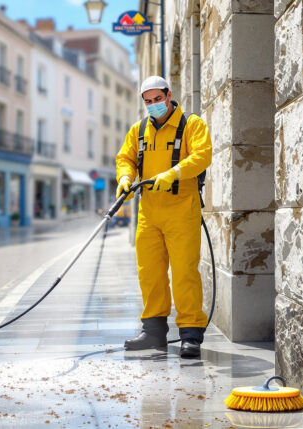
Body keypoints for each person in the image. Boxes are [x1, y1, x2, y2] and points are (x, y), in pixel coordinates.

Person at [115, 76, 212, 358]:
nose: (153, 105)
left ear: (169, 95)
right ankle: (153, 331)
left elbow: (202, 155)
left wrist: (174, 173)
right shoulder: (139, 130)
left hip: (181, 209)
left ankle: (190, 333)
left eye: (158, 99)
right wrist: (125, 179)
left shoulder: (191, 124)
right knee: (150, 273)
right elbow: (125, 158)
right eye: (148, 101)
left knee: (184, 273)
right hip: (149, 213)